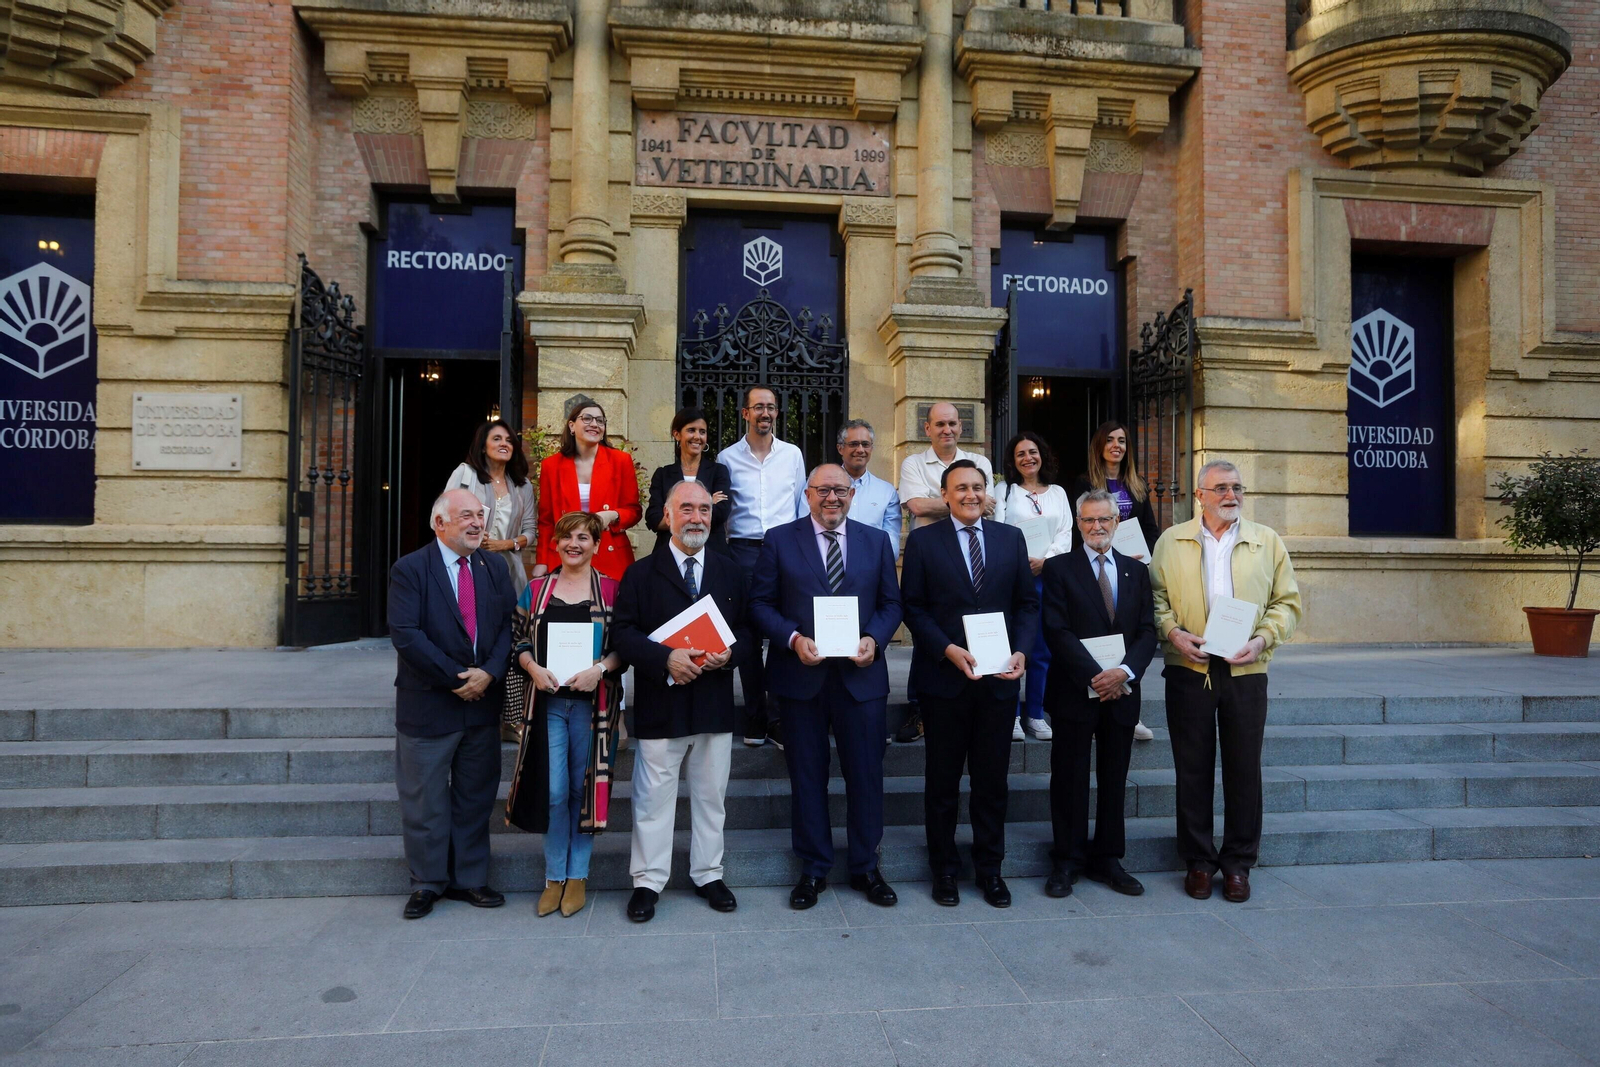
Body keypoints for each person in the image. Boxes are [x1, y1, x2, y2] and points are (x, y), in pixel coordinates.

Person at [749, 464, 904, 910]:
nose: (832, 498)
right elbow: (760, 604)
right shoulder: (780, 539)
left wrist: (874, 638)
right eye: (823, 490)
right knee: (808, 776)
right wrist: (793, 639)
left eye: (840, 490)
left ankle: (866, 867)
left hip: (861, 678)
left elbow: (892, 603)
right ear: (808, 494)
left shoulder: (876, 542)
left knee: (866, 776)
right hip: (801, 678)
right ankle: (813, 869)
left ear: (853, 494)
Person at [1149, 459, 1301, 904]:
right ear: (1200, 496)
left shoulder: (1266, 542)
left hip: (1245, 669)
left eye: (1236, 487)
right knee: (1192, 769)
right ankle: (1198, 860)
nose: (1230, 495)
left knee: (1243, 769)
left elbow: (1286, 603)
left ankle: (1237, 863)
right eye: (1220, 488)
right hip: (1189, 667)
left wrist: (1261, 640)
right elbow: (1155, 598)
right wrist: (1173, 633)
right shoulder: (1171, 541)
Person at [612, 480, 753, 923]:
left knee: (712, 798)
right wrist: (665, 658)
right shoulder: (639, 573)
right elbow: (622, 635)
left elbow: (751, 632)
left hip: (713, 703)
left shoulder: (731, 571)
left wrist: (732, 654)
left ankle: (709, 874)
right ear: (668, 517)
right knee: (653, 800)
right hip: (661, 704)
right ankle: (648, 882)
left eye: (705, 510)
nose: (697, 517)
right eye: (686, 509)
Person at [901, 459, 1038, 909]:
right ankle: (944, 869)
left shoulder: (1009, 538)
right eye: (961, 488)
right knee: (942, 783)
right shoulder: (922, 542)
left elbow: (1026, 605)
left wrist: (1021, 650)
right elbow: (914, 609)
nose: (971, 495)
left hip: (998, 683)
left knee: (991, 783)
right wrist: (947, 649)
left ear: (987, 493)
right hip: (944, 683)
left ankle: (990, 870)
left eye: (977, 487)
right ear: (945, 495)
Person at [386, 488, 515, 920]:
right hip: (429, 704)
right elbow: (406, 635)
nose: (478, 523)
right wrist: (458, 678)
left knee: (475, 797)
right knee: (424, 801)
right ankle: (426, 882)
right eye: (466, 516)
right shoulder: (410, 570)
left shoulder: (495, 567)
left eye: (480, 515)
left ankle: (470, 879)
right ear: (439, 523)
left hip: (482, 704)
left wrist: (490, 674)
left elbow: (505, 629)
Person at [1040, 490, 1159, 899]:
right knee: (1070, 777)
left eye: (1104, 520)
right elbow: (1055, 629)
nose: (1097, 527)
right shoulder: (1059, 569)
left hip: (1123, 690)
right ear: (1079, 524)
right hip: (1076, 690)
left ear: (1117, 522)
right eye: (1089, 521)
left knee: (1114, 776)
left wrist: (1123, 672)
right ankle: (1068, 859)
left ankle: (1109, 858)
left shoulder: (1136, 571)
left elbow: (1147, 630)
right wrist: (1095, 675)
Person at [507, 511, 624, 920]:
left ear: (595, 545)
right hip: (548, 706)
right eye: (566, 537)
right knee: (555, 791)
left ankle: (578, 876)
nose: (574, 544)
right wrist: (532, 667)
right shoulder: (537, 590)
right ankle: (554, 875)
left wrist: (600, 670)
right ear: (555, 543)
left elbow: (623, 646)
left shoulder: (611, 591)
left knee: (583, 789)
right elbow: (517, 636)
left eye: (583, 538)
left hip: (594, 707)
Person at [894, 401, 996, 744]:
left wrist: (945, 502)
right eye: (939, 424)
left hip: (973, 550)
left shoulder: (980, 461)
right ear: (927, 429)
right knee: (929, 630)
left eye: (952, 423)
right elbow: (916, 506)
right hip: (932, 553)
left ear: (960, 428)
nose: (946, 429)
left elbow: (988, 505)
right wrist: (961, 504)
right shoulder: (912, 462)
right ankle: (918, 707)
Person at [717, 384, 805, 750]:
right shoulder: (726, 457)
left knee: (785, 632)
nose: (765, 413)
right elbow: (723, 511)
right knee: (750, 637)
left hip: (785, 548)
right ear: (745, 414)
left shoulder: (794, 455)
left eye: (770, 408)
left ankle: (779, 716)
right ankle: (756, 715)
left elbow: (801, 503)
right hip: (743, 551)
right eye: (758, 408)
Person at [1069, 421, 1163, 742]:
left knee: (1132, 633)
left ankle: (1128, 710)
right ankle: (1097, 697)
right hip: (1096, 569)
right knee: (1100, 632)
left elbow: (1150, 528)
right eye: (1109, 440)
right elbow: (1078, 528)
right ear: (1099, 445)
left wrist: (1145, 557)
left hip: (1131, 571)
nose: (1116, 446)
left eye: (1122, 440)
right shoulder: (1085, 482)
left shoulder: (1136, 484)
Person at [994, 431, 1072, 742]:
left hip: (1046, 578)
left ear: (1042, 455)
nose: (1028, 457)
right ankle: (1012, 714)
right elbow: (997, 529)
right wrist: (1019, 561)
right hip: (1011, 577)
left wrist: (1046, 561)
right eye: (1020, 454)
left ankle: (1036, 714)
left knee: (1041, 649)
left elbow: (1066, 532)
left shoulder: (1058, 493)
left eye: (1033, 451)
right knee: (1010, 644)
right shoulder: (1005, 490)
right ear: (1013, 462)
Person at [534, 395, 641, 582]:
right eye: (587, 418)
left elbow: (634, 510)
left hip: (610, 553)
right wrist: (541, 560)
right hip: (566, 553)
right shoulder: (551, 466)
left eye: (600, 420)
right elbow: (546, 520)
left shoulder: (621, 461)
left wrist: (612, 515)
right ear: (572, 426)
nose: (595, 424)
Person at [443, 419, 536, 598]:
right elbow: (443, 517)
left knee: (508, 622)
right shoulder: (465, 475)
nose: (504, 444)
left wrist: (506, 544)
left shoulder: (523, 486)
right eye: (497, 439)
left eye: (509, 441)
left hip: (509, 571)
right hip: (467, 567)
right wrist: (469, 532)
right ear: (483, 447)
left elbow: (530, 530)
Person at [645, 406, 733, 555]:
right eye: (691, 430)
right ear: (677, 434)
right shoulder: (663, 474)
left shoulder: (718, 471)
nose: (697, 437)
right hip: (668, 554)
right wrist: (709, 504)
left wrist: (675, 513)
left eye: (702, 432)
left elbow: (721, 512)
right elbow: (653, 518)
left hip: (712, 552)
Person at [836, 419, 902, 559]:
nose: (860, 450)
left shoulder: (886, 492)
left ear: (871, 448)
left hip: (872, 569)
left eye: (865, 444)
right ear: (840, 448)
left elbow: (892, 542)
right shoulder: (821, 488)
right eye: (853, 444)